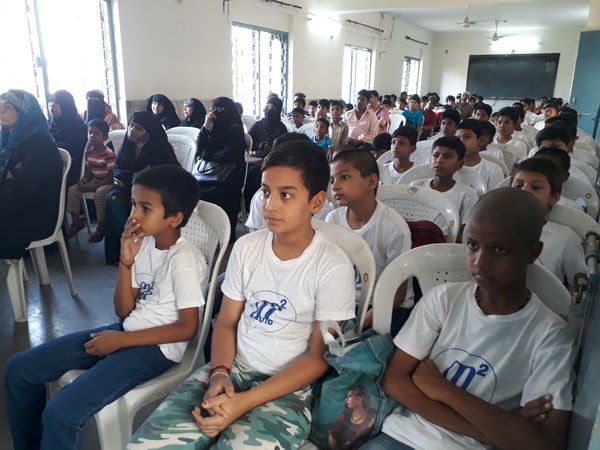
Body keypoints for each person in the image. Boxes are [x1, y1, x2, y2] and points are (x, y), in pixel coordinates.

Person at [128, 141, 356, 449]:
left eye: (285, 195)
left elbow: (317, 358)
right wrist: (220, 373)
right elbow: (226, 323)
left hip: (289, 388)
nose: (269, 205)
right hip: (232, 367)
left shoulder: (333, 266)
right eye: (266, 191)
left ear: (316, 202)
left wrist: (243, 402)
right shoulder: (247, 248)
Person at [5, 164, 208, 450]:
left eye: (146, 208)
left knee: (61, 413)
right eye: (134, 204)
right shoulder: (145, 243)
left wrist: (120, 341)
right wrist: (126, 262)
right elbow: (123, 311)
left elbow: (187, 328)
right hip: (126, 329)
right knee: (19, 369)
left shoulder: (183, 260)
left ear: (174, 219)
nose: (134, 214)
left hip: (156, 350)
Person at [362, 187, 575, 450]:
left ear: (533, 252)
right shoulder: (444, 299)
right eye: (473, 245)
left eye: (500, 250)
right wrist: (499, 430)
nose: (480, 262)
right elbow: (395, 381)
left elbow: (546, 443)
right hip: (401, 436)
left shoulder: (550, 335)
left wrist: (444, 390)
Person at [327, 148, 412, 331]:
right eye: (332, 180)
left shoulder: (394, 228)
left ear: (371, 182)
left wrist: (357, 327)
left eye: (344, 177)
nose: (335, 186)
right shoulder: (333, 219)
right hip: (346, 301)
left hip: (384, 306)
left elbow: (397, 295)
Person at [0, 89, 62, 284]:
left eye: (7, 107)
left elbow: (21, 190)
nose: (1, 111)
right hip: (19, 207)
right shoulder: (10, 141)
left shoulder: (40, 144)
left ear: (24, 112)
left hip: (37, 214)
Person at [104, 110, 179, 265]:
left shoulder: (161, 149)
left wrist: (136, 178)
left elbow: (168, 175)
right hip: (127, 188)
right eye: (131, 125)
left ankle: (142, 250)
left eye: (138, 128)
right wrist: (133, 177)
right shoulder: (128, 145)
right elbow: (118, 169)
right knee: (113, 199)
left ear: (150, 131)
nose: (132, 130)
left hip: (153, 191)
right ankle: (123, 246)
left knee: (146, 205)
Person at [511, 157, 586, 287]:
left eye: (536, 187)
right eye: (518, 186)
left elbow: (579, 285)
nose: (524, 191)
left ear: (554, 198)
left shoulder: (566, 239)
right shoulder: (491, 229)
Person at [195, 96, 246, 239]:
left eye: (220, 109)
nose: (216, 112)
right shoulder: (212, 126)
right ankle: (204, 234)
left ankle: (222, 236)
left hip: (230, 176)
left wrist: (207, 155)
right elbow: (199, 147)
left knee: (215, 193)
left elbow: (227, 155)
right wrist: (205, 126)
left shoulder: (235, 129)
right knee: (194, 189)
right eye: (214, 109)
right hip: (210, 173)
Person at [409, 136, 478, 240]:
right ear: (430, 160)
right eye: (435, 155)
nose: (439, 160)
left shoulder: (467, 193)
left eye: (448, 157)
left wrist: (436, 240)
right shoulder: (415, 186)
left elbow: (465, 232)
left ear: (459, 164)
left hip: (445, 245)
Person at [65, 119, 116, 242]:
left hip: (108, 183)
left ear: (105, 137)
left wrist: (93, 187)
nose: (92, 136)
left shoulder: (109, 154)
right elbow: (89, 172)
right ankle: (76, 222)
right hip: (96, 181)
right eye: (90, 132)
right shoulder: (89, 152)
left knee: (100, 193)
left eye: (97, 133)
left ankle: (101, 227)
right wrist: (84, 181)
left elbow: (111, 177)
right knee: (73, 190)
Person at [48, 89, 88, 187]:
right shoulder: (48, 124)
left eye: (57, 102)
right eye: (51, 101)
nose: (52, 105)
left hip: (69, 168)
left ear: (66, 105)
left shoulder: (77, 126)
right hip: (50, 165)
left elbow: (71, 149)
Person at [455, 119, 504, 191]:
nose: (461, 142)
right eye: (458, 138)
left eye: (467, 137)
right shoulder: (449, 167)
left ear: (481, 141)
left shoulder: (493, 171)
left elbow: (495, 197)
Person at [532, 146, 585, 212]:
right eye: (535, 169)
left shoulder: (575, 210)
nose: (540, 174)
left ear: (564, 177)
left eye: (549, 171)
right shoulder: (520, 202)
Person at [328, 386, 377, 450]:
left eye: (350, 396)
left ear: (360, 398)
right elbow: (333, 431)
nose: (346, 399)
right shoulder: (344, 415)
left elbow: (371, 441)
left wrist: (353, 443)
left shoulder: (371, 418)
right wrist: (331, 438)